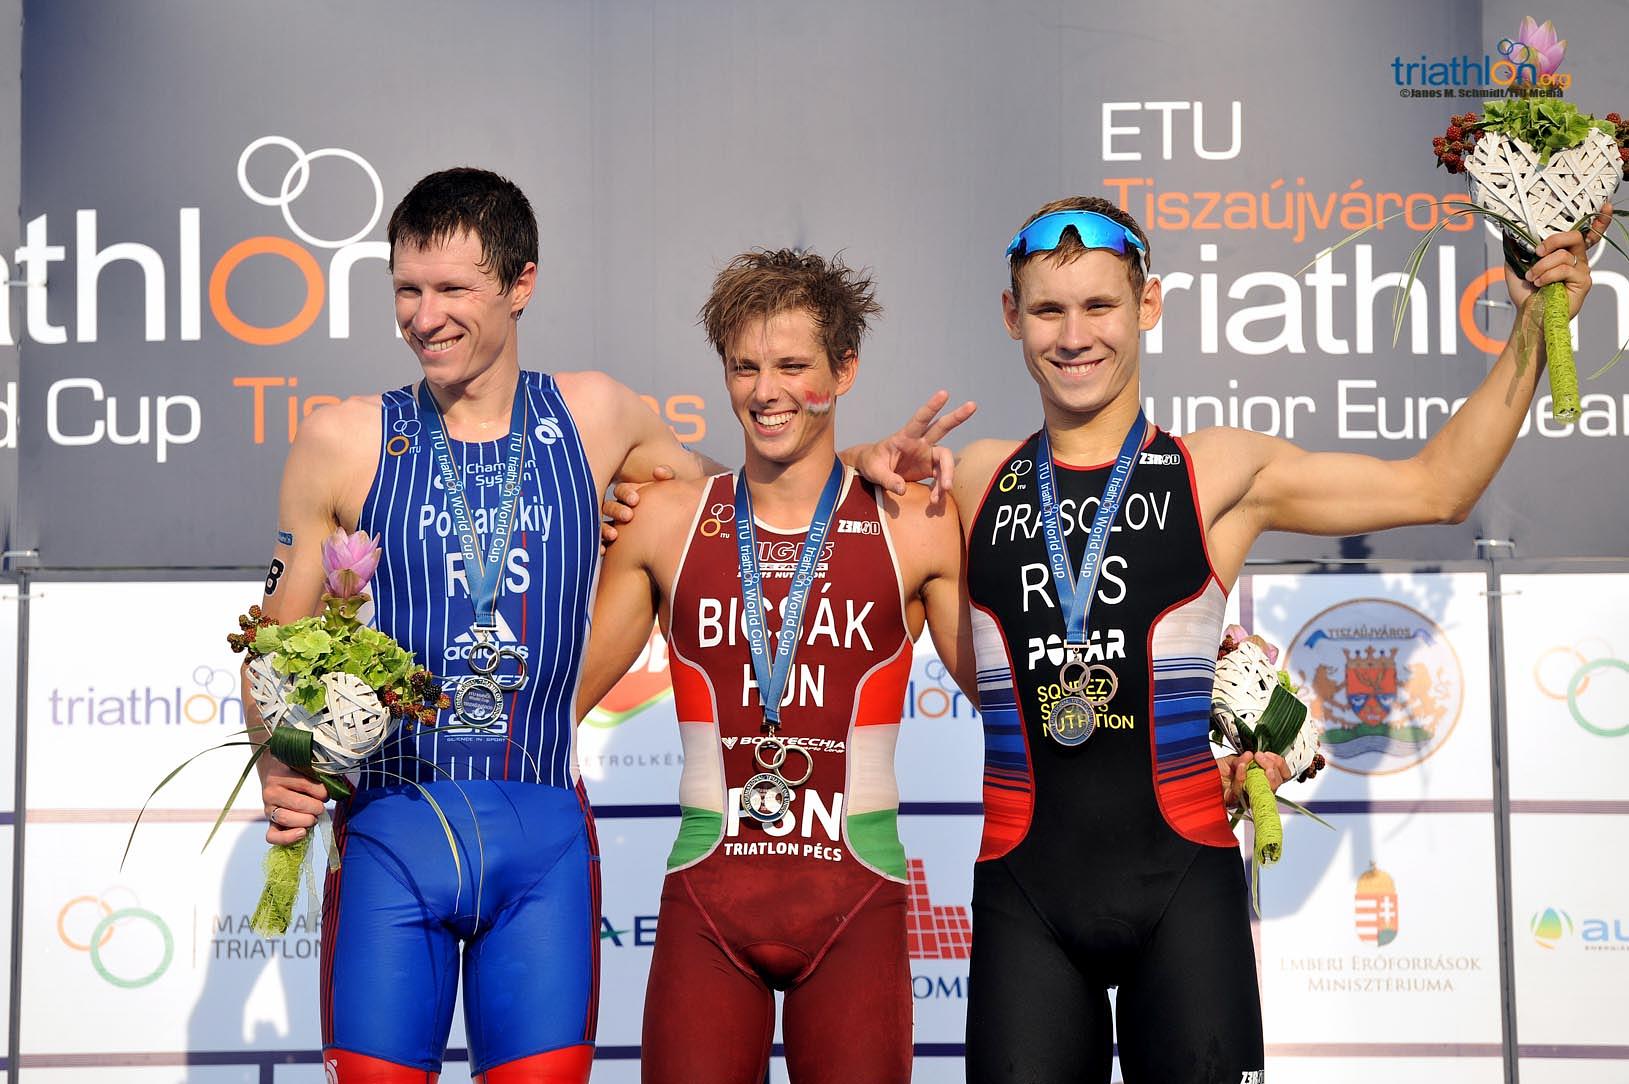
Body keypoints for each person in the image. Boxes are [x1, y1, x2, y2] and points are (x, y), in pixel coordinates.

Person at [859, 194, 1610, 1083]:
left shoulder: (1217, 472)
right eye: (1049, 310)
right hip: (1025, 903)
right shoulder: (971, 478)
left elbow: (1436, 487)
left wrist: (1533, 326)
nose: (1074, 336)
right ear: (1010, 316)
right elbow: (769, 517)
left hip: (1183, 896)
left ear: (1148, 305)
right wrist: (857, 462)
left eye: (1099, 305)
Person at [249, 168, 724, 1084]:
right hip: (390, 835)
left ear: (520, 283)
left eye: (452, 290)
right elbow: (272, 647)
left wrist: (855, 461)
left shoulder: (596, 413)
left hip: (543, 840)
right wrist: (280, 759)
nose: (424, 317)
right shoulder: (343, 438)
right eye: (407, 290)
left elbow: (751, 499)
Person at [576, 249, 975, 1083]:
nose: (766, 392)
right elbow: (554, 701)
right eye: (744, 367)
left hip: (856, 903)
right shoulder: (663, 521)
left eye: (793, 367)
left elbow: (1012, 705)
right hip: (707, 905)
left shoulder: (915, 523)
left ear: (844, 370)